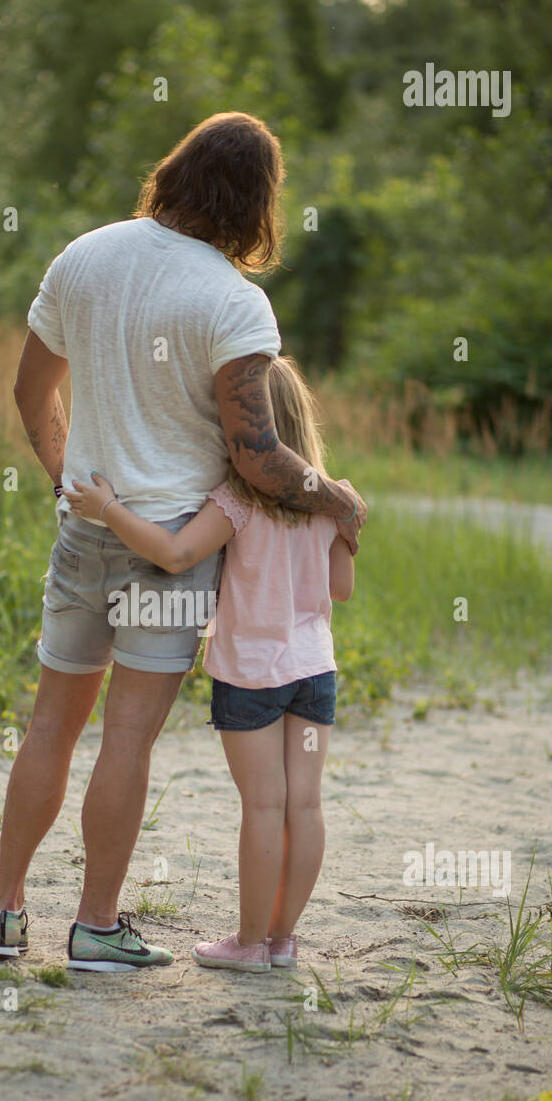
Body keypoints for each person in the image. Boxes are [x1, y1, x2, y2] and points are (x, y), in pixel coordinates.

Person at [0, 111, 366, 971]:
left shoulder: (83, 256)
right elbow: (257, 456)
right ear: (256, 201)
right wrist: (332, 494)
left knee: (50, 724)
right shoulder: (232, 300)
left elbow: (28, 387)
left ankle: (4, 913)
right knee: (126, 742)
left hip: (86, 529)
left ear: (179, 170)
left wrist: (63, 478)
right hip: (171, 550)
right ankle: (94, 927)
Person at [65, 356, 354, 974]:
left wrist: (107, 508)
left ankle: (248, 944)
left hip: (252, 677)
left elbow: (174, 554)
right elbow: (342, 588)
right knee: (304, 805)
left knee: (263, 806)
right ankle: (281, 940)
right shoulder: (332, 503)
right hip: (314, 671)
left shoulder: (237, 501)